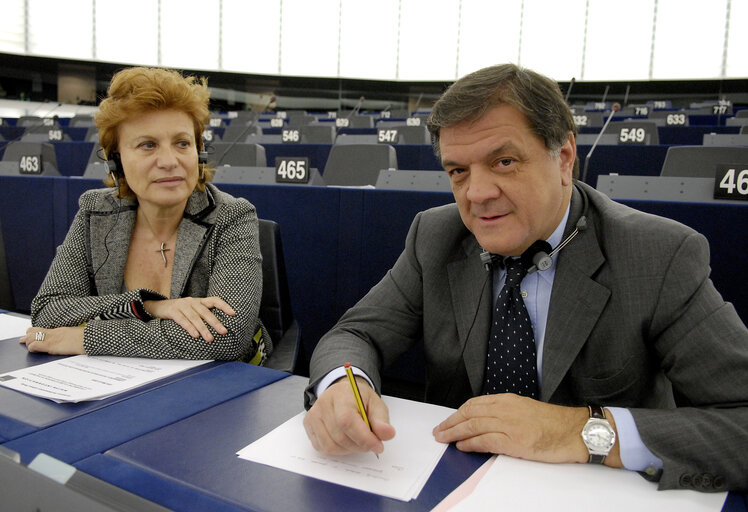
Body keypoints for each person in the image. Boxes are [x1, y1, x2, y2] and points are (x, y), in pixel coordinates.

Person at [303, 64, 748, 492]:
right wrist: (347, 384)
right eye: (458, 171)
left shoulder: (658, 255)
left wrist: (580, 430)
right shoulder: (435, 235)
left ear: (564, 159)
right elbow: (357, 333)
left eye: (504, 162)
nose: (476, 193)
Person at [21, 67, 271, 364]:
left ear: (199, 152)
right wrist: (149, 307)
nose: (169, 161)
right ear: (116, 161)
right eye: (147, 145)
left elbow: (225, 337)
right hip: (116, 384)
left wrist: (86, 337)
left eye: (182, 143)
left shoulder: (232, 216)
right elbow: (49, 310)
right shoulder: (94, 212)